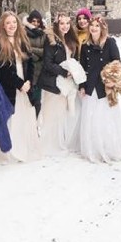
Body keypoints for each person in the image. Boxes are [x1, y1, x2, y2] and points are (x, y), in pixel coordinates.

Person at [0, 11, 42, 163]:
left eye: (14, 22)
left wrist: (28, 82)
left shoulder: (23, 40)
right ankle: (10, 152)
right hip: (11, 88)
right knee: (12, 120)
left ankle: (24, 148)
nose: (11, 25)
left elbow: (31, 64)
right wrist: (20, 84)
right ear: (3, 25)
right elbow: (3, 71)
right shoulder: (0, 44)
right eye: (8, 23)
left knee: (24, 118)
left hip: (25, 87)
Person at [78, 16, 121, 163]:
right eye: (91, 25)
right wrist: (81, 86)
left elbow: (117, 63)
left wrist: (112, 81)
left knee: (106, 119)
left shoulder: (110, 43)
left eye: (97, 26)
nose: (93, 28)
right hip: (91, 87)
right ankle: (93, 149)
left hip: (106, 88)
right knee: (92, 119)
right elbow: (82, 68)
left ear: (102, 28)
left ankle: (108, 148)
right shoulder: (85, 46)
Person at [37, 12, 79, 154]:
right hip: (52, 82)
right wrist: (64, 72)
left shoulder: (70, 40)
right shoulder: (51, 40)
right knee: (50, 114)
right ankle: (48, 145)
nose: (65, 26)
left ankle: (59, 142)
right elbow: (47, 63)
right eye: (62, 23)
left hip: (65, 83)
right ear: (57, 24)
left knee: (60, 114)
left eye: (67, 23)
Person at [25, 10, 46, 117]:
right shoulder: (24, 32)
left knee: (38, 100)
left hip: (40, 70)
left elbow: (45, 51)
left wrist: (32, 50)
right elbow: (24, 49)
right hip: (28, 68)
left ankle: (35, 122)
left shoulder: (44, 34)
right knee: (27, 99)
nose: (36, 24)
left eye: (38, 21)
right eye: (33, 21)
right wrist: (35, 55)